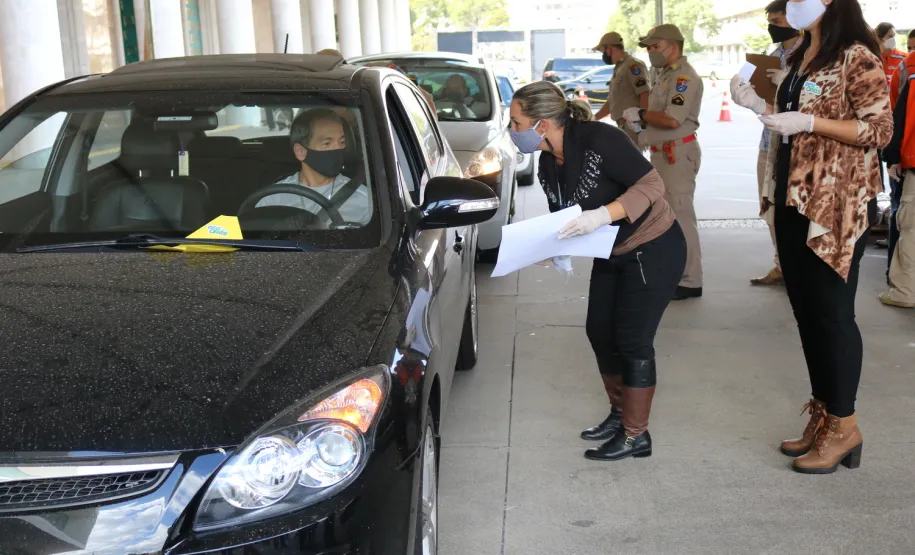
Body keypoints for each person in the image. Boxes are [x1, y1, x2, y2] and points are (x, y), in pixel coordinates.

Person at [730, 0, 892, 473]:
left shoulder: (856, 55)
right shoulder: (801, 51)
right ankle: (825, 416)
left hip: (836, 204)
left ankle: (845, 426)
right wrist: (760, 105)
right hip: (794, 196)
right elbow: (790, 111)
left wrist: (809, 123)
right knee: (807, 313)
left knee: (833, 315)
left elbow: (880, 129)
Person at [508, 81, 687, 462]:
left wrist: (604, 215)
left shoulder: (599, 139)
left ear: (542, 123)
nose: (512, 131)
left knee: (632, 339)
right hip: (612, 250)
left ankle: (636, 435)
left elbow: (652, 184)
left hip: (653, 246)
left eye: (515, 121)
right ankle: (620, 416)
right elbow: (567, 215)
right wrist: (552, 245)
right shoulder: (546, 163)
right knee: (599, 331)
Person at [623, 24, 704, 300]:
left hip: (677, 155)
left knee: (681, 216)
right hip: (663, 153)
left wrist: (642, 114)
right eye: (647, 47)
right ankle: (675, 272)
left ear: (673, 45)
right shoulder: (662, 74)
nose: (650, 51)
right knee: (666, 216)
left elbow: (672, 118)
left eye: (654, 46)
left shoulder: (684, 77)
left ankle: (691, 280)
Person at [749, 1, 802, 286]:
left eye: (778, 21)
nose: (773, 27)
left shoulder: (811, 53)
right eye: (770, 21)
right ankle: (781, 264)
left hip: (797, 145)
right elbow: (762, 93)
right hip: (769, 142)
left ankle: (799, 268)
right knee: (768, 204)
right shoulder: (774, 54)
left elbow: (821, 91)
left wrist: (792, 82)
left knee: (795, 209)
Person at [256, 108, 371, 225]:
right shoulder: (274, 198)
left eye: (342, 142)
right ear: (300, 151)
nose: (338, 149)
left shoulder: (364, 200)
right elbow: (250, 238)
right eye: (327, 143)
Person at [880, 50, 915, 309]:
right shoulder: (909, 64)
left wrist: (893, 156)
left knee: (911, 229)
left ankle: (904, 291)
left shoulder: (910, 63)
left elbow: (898, 110)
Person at [591, 31, 650, 144]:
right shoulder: (619, 67)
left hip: (633, 126)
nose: (603, 55)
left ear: (609, 48)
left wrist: (643, 122)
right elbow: (612, 101)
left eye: (603, 51)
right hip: (623, 126)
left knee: (630, 161)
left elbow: (644, 94)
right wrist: (593, 118)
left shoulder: (633, 65)